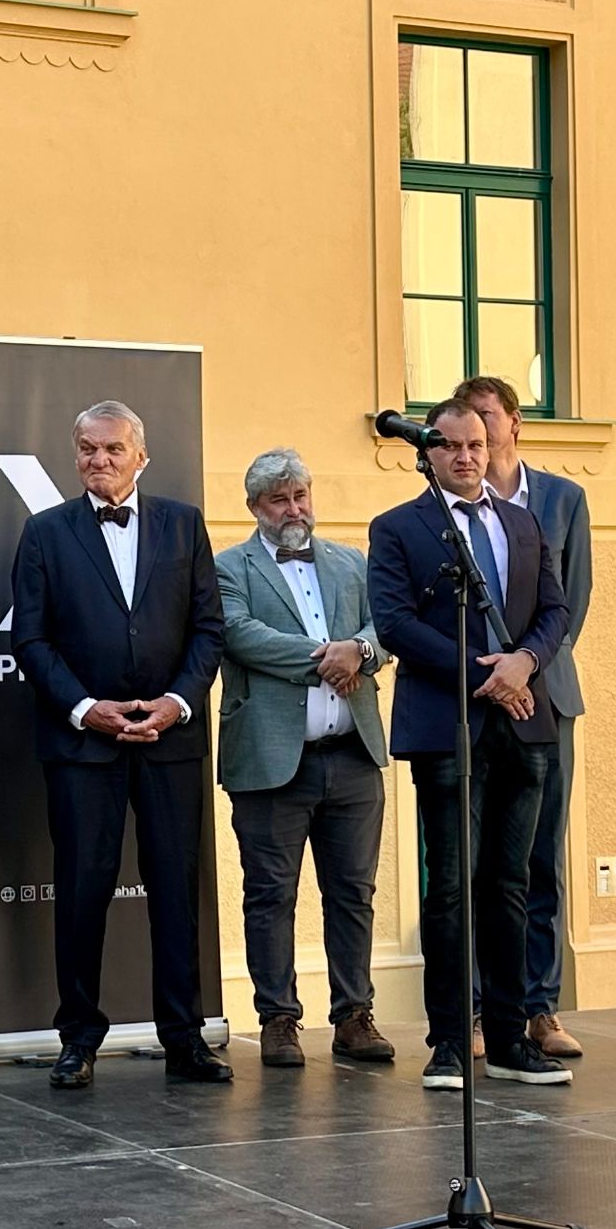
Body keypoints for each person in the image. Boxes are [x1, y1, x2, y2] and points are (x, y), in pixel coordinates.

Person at [12, 401, 230, 1088]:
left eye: (112, 449)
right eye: (87, 449)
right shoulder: (45, 532)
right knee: (82, 893)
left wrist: (177, 703)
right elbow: (31, 640)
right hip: (83, 746)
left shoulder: (183, 523)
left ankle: (184, 1038)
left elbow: (209, 629)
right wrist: (85, 709)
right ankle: (78, 1039)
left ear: (141, 457)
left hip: (171, 741)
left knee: (176, 892)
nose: (98, 460)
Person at [369, 400, 573, 1093]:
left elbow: (554, 610)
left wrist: (525, 662)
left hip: (526, 722)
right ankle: (453, 1041)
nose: (465, 457)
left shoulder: (523, 522)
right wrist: (485, 676)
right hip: (449, 726)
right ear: (427, 453)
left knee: (511, 884)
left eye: (476, 445)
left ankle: (512, 1038)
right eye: (450, 445)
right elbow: (395, 623)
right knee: (452, 887)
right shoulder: (398, 527)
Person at [214, 448, 396, 1069]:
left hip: (353, 756)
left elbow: (384, 627)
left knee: (354, 893)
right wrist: (332, 657)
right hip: (270, 761)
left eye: (300, 496)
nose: (294, 510)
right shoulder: (228, 567)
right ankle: (278, 1019)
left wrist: (360, 651)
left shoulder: (351, 562)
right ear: (254, 507)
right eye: (279, 500)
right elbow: (241, 636)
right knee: (270, 895)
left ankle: (354, 1017)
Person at [457, 375, 591, 1064]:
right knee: (476, 859)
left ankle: (540, 1006)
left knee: (541, 857)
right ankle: (482, 1007)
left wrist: (527, 668)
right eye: (467, 420)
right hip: (474, 696)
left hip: (547, 698)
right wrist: (494, 676)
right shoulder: (448, 502)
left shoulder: (563, 499)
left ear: (515, 424)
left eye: (488, 416)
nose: (478, 431)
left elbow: (574, 600)